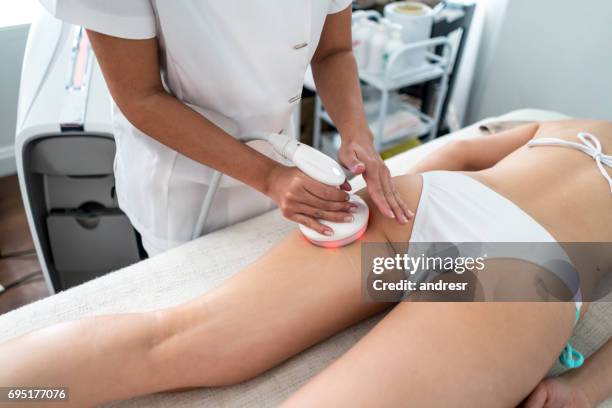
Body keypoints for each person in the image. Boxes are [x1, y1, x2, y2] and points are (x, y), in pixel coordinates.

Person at [1, 120, 611, 406]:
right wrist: (580, 392)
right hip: (528, 271)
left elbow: (461, 149)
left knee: (175, 338)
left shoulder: (580, 125)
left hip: (429, 207)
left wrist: (378, 197)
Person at [38, 1, 413, 256]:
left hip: (282, 174)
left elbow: (333, 52)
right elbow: (139, 96)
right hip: (184, 188)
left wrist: (357, 135)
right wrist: (268, 176)